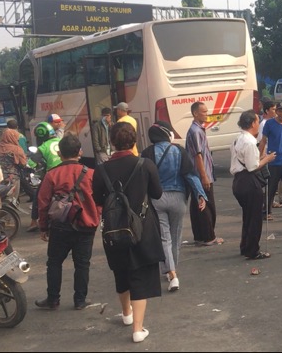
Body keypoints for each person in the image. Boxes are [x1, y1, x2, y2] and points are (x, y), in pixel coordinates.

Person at [92, 122, 163, 343]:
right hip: (143, 227)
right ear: (134, 141)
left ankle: (126, 315)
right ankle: (138, 329)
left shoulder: (101, 169)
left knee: (121, 272)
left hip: (114, 229)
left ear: (111, 142)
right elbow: (157, 194)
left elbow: (97, 199)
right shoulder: (145, 164)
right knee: (140, 274)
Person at [34, 134, 101, 311]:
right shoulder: (91, 174)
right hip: (86, 224)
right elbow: (100, 199)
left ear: (60, 153)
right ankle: (80, 300)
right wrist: (96, 217)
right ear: (80, 152)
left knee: (54, 262)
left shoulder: (51, 175)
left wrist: (43, 226)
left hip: (60, 226)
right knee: (82, 264)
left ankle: (53, 299)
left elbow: (43, 202)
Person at [141, 121, 208, 292]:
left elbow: (144, 181)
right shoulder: (179, 150)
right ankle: (172, 270)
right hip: (178, 199)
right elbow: (191, 175)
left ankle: (171, 273)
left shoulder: (147, 153)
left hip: (157, 200)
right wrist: (200, 194)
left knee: (164, 237)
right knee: (175, 236)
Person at [230, 110, 276, 260]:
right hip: (248, 181)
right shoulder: (249, 141)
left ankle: (245, 246)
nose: (258, 123)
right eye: (257, 121)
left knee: (248, 217)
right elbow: (253, 166)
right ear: (252, 124)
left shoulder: (238, 139)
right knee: (255, 218)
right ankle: (252, 250)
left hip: (238, 181)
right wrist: (267, 159)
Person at [186, 102, 221, 246]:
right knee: (206, 205)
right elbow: (197, 156)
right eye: (204, 112)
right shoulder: (195, 131)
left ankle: (200, 236)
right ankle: (208, 237)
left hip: (199, 174)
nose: (207, 114)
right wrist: (204, 176)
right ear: (195, 113)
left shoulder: (199, 129)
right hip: (200, 174)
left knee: (197, 205)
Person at [27, 122, 62, 232]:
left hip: (51, 177)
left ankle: (34, 221)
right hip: (68, 172)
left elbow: (31, 163)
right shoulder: (61, 141)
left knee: (38, 196)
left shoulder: (43, 147)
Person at [0, 127, 28, 204]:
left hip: (0, 177)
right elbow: (23, 163)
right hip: (13, 177)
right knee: (13, 198)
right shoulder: (17, 149)